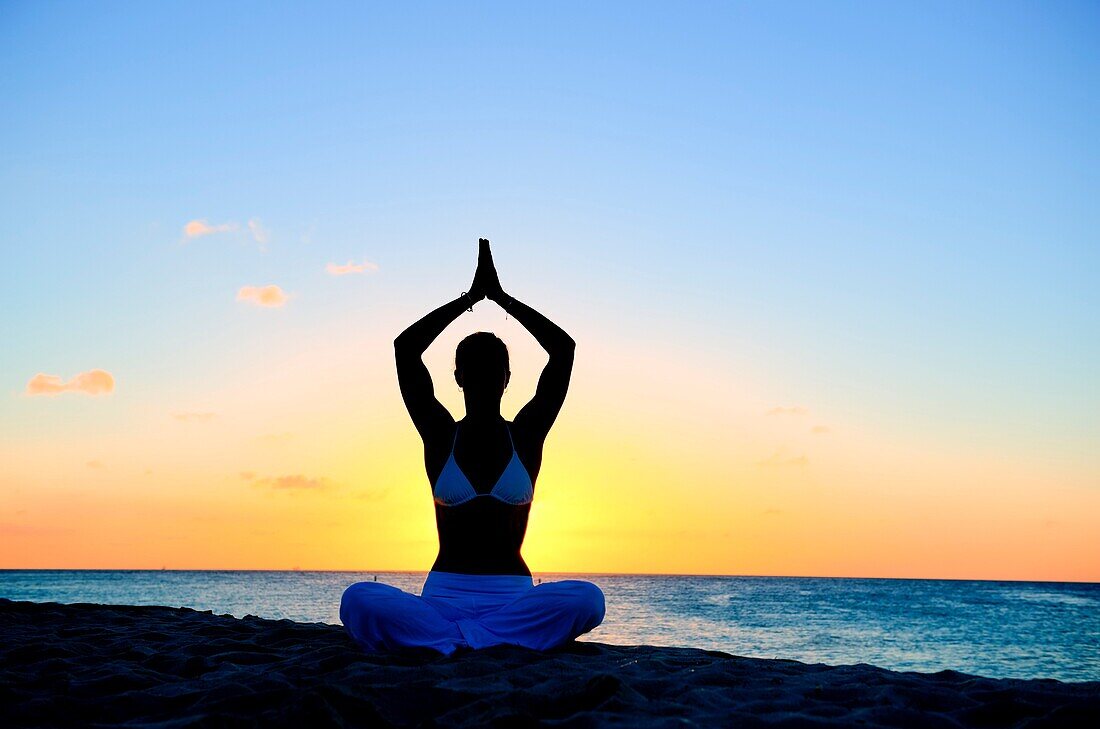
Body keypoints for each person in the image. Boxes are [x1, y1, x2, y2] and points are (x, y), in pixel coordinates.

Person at [340, 239, 605, 655]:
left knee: (589, 598)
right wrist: (469, 299)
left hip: (513, 599)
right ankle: (483, 640)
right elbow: (405, 349)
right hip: (443, 598)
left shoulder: (527, 434)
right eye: (473, 369)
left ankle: (455, 642)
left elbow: (562, 351)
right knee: (356, 598)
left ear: (507, 377)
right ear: (459, 377)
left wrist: (500, 298)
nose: (483, 377)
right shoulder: (440, 434)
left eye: (492, 369)